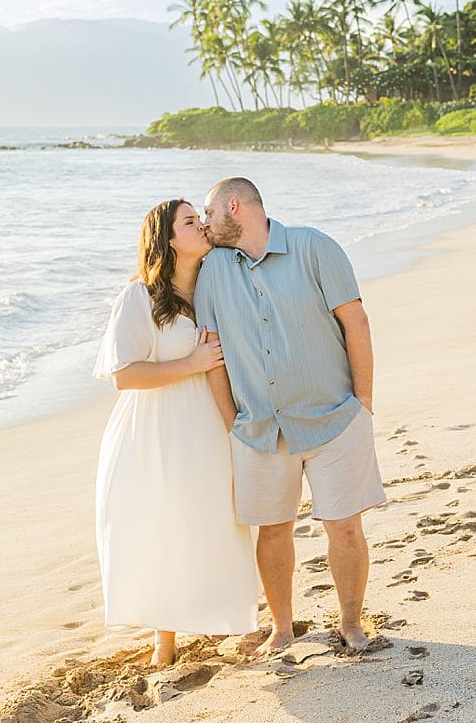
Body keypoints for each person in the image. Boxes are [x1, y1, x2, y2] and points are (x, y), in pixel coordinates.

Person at [193, 176, 386, 657]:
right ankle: (282, 627)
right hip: (259, 429)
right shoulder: (212, 270)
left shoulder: (314, 247)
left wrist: (362, 404)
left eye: (209, 214)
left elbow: (355, 321)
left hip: (335, 420)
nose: (204, 223)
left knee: (344, 527)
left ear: (234, 207)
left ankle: (351, 623)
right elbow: (211, 349)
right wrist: (230, 420)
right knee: (273, 530)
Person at [93, 198, 259, 666]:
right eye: (190, 221)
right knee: (162, 522)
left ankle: (224, 618)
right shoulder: (140, 297)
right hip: (155, 429)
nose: (203, 225)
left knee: (212, 519)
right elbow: (124, 375)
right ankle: (162, 640)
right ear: (167, 239)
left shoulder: (212, 288)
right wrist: (192, 363)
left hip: (206, 424)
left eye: (200, 218)